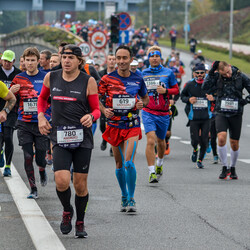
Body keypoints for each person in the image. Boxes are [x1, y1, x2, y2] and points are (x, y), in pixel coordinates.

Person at [38, 44, 100, 238]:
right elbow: (42, 99)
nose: (66, 60)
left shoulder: (88, 81)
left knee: (80, 185)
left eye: (70, 57)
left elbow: (97, 109)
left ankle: (80, 221)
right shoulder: (51, 77)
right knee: (62, 181)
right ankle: (67, 211)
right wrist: (41, 116)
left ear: (79, 61)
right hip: (59, 136)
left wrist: (92, 116)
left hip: (82, 138)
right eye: (64, 57)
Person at [98, 45, 149, 212]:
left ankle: (132, 199)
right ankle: (124, 195)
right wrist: (104, 110)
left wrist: (142, 104)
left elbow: (146, 99)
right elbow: (96, 100)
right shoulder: (106, 79)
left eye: (124, 58)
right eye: (118, 58)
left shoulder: (138, 79)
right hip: (114, 125)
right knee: (119, 163)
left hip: (132, 124)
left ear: (131, 59)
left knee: (129, 162)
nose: (121, 61)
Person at [11, 47, 50, 198]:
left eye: (33, 60)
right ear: (24, 62)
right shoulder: (18, 78)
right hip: (24, 123)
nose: (30, 63)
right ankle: (33, 189)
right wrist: (11, 91)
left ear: (38, 61)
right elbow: (11, 99)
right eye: (27, 60)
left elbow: (52, 99)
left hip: (41, 122)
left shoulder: (46, 76)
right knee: (28, 156)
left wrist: (50, 117)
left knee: (40, 157)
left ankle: (42, 169)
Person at [202, 61, 250, 179]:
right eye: (224, 74)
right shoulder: (216, 76)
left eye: (228, 72)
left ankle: (232, 168)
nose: (227, 75)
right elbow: (205, 87)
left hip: (236, 113)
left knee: (234, 143)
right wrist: (212, 73)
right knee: (222, 138)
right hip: (221, 112)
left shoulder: (241, 76)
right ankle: (224, 167)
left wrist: (244, 101)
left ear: (230, 66)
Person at [142, 46, 179, 183]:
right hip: (148, 112)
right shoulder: (143, 73)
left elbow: (176, 90)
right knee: (150, 140)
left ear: (160, 58)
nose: (154, 58)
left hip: (163, 113)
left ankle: (159, 164)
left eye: (157, 56)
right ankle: (151, 172)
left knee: (161, 142)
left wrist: (166, 91)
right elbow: (138, 90)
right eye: (152, 56)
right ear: (148, 58)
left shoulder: (168, 72)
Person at [181, 63, 212, 168]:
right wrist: (189, 100)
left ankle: (200, 160)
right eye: (197, 73)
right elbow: (182, 96)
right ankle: (195, 149)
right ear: (194, 73)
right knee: (195, 140)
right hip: (194, 118)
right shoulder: (189, 84)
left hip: (206, 117)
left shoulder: (210, 84)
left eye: (202, 73)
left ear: (205, 73)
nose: (199, 75)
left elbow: (217, 95)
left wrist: (213, 98)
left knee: (204, 140)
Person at [0, 50, 21, 176]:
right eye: (4, 60)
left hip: (12, 110)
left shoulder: (18, 74)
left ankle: (8, 166)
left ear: (14, 61)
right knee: (0, 138)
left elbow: (19, 94)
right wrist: (10, 90)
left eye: (9, 61)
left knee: (8, 137)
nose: (6, 63)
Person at [99, 54, 116, 154]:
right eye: (110, 59)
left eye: (114, 59)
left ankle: (112, 147)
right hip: (103, 102)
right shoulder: (101, 73)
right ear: (107, 61)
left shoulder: (118, 74)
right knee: (102, 125)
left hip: (115, 103)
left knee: (113, 125)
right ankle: (105, 139)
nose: (112, 61)